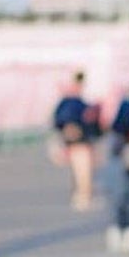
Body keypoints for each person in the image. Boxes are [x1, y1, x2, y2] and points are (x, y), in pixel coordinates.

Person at [100, 82, 129, 252]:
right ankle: (124, 229)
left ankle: (123, 229)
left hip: (124, 150)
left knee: (123, 194)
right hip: (124, 151)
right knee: (124, 194)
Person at [52, 70, 98, 211]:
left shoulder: (72, 102)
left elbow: (58, 121)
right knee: (82, 170)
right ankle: (83, 195)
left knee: (82, 170)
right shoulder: (74, 103)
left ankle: (83, 194)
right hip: (79, 141)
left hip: (80, 141)